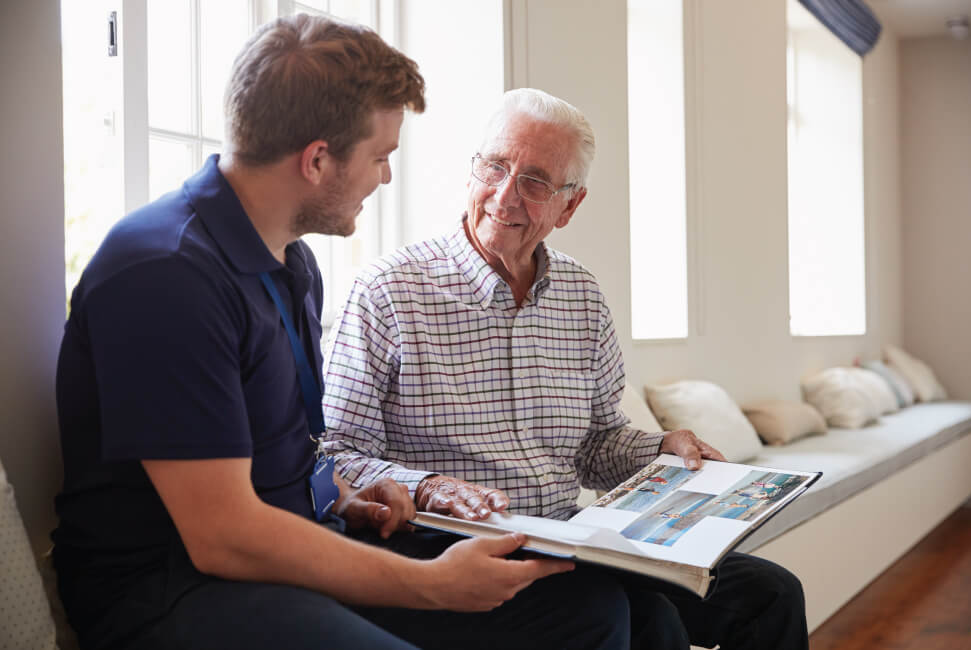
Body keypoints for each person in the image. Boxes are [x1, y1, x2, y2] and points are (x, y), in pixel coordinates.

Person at [53, 17, 632, 650]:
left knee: (588, 611)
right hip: (173, 587)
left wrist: (341, 497)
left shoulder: (291, 264)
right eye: (381, 157)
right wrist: (431, 584)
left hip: (290, 549)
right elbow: (222, 536)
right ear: (318, 160)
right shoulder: (165, 273)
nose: (386, 177)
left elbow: (296, 451)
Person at [322, 87, 809, 649]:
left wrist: (661, 450)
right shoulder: (387, 290)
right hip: (445, 546)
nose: (505, 196)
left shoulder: (580, 295)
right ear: (470, 170)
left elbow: (598, 444)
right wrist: (429, 487)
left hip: (573, 538)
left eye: (534, 182)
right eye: (495, 166)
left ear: (569, 206)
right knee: (644, 618)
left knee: (771, 594)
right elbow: (335, 453)